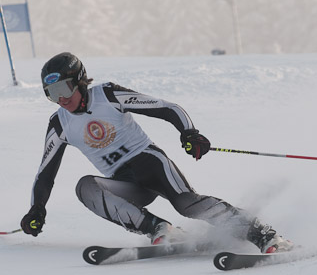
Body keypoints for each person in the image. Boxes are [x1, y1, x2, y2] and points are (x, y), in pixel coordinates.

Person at [20, 52, 293, 254]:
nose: (61, 99)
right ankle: (160, 229)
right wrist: (37, 209)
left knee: (188, 205)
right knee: (85, 188)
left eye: (64, 89)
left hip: (151, 164)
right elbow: (45, 174)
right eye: (52, 94)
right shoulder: (60, 124)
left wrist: (189, 133)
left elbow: (168, 108)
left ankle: (263, 234)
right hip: (124, 183)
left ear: (79, 82)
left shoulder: (108, 95)